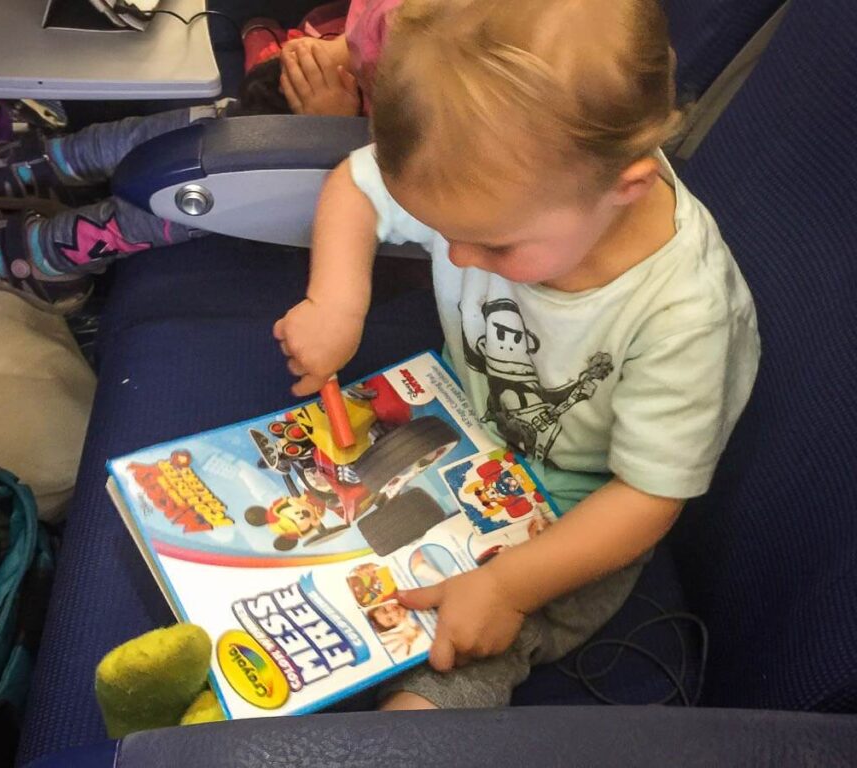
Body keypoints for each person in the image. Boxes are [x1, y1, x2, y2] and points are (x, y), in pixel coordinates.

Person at [274, 0, 760, 712]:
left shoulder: (685, 313)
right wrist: (335, 304)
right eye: (443, 230)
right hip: (454, 428)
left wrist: (506, 586)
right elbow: (357, 184)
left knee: (460, 650)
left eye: (494, 246)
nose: (460, 256)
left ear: (626, 187)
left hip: (577, 511)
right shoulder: (502, 184)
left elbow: (648, 497)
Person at [0, 0, 399, 314]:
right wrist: (320, 59)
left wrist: (330, 124)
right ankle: (60, 165)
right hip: (350, 106)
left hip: (371, 171)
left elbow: (415, 164)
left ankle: (50, 258)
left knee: (213, 177)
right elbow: (366, 36)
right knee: (211, 120)